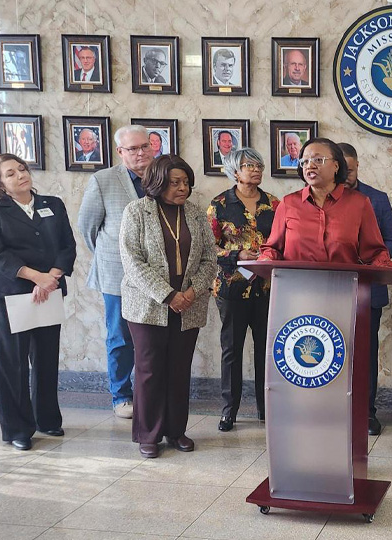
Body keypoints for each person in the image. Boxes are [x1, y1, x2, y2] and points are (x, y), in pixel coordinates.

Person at [119, 155, 217, 459]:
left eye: (186, 182)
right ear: (158, 182)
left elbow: (210, 259)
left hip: (189, 305)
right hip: (147, 306)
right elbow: (132, 261)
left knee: (178, 370)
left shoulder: (196, 214)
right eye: (175, 182)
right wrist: (167, 295)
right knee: (150, 370)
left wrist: (190, 292)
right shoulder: (137, 211)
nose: (182, 188)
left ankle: (176, 430)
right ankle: (148, 433)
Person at [0, 153, 76, 451]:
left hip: (50, 289)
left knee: (46, 359)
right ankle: (18, 428)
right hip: (11, 294)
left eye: (22, 169)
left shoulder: (52, 204)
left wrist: (52, 277)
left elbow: (67, 245)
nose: (21, 175)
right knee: (13, 364)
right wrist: (37, 278)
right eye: (10, 173)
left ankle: (46, 419)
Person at [78, 125, 154, 419]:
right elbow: (88, 228)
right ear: (120, 152)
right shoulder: (103, 180)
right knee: (120, 336)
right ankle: (121, 396)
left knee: (151, 337)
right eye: (133, 149)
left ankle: (150, 393)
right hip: (117, 275)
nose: (140, 153)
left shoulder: (163, 176)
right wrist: (111, 256)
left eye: (145, 146)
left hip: (156, 275)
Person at [209, 148, 280, 433]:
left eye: (259, 165)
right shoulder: (219, 204)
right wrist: (238, 255)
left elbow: (283, 241)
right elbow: (209, 247)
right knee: (232, 351)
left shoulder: (274, 204)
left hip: (267, 288)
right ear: (234, 171)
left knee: (267, 350)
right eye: (249, 165)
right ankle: (229, 411)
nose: (256, 170)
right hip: (232, 288)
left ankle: (267, 409)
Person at [338, 142, 392, 435]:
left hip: (368, 291)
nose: (347, 175)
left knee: (365, 354)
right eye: (342, 170)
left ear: (358, 165)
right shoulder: (325, 200)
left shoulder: (376, 198)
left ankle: (367, 413)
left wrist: (366, 258)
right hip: (331, 291)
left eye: (351, 169)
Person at [259, 138, 392, 268]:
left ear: (336, 166)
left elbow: (374, 253)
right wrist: (266, 259)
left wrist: (387, 267)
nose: (310, 166)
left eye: (318, 160)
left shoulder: (359, 203)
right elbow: (273, 248)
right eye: (305, 161)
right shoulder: (288, 203)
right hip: (295, 286)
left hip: (342, 286)